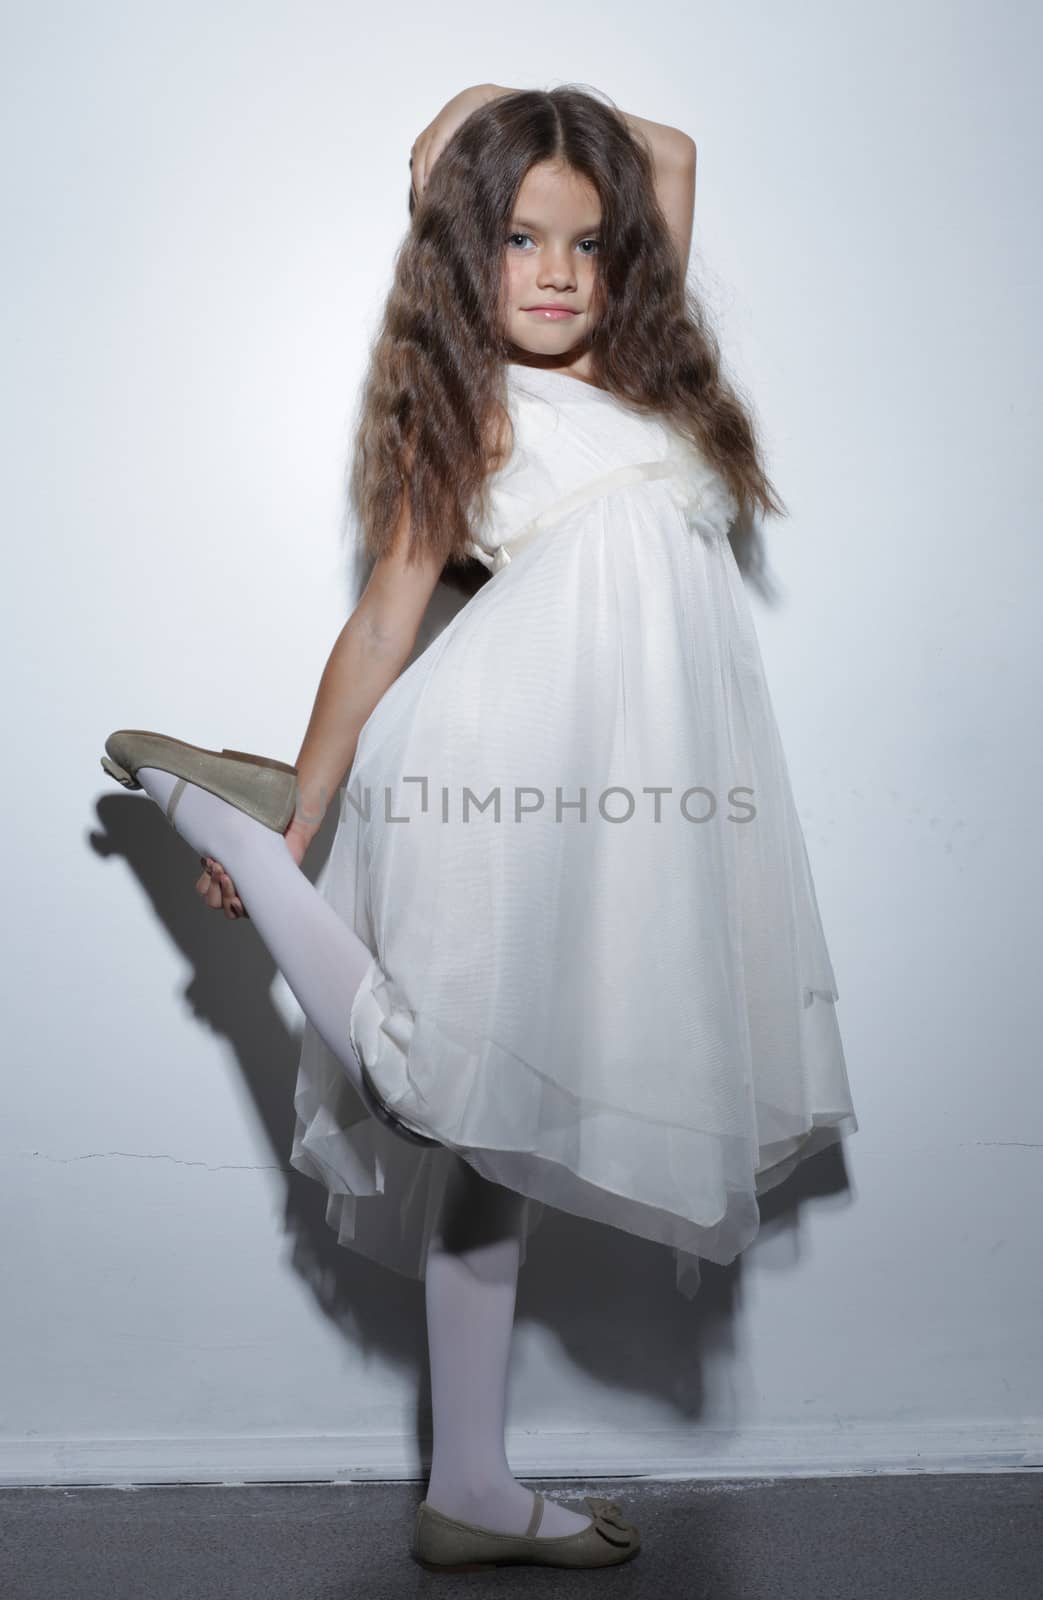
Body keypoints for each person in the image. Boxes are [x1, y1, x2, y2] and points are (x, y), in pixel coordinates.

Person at [100, 82, 857, 1572]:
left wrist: (554, 134)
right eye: (519, 239)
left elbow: (673, 156)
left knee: (499, 1140)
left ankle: (472, 1489)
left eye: (585, 243)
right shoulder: (476, 408)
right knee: (449, 1077)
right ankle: (235, 819)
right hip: (503, 754)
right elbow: (388, 622)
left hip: (626, 794)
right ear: (466, 247)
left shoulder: (641, 380)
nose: (561, 270)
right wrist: (307, 808)